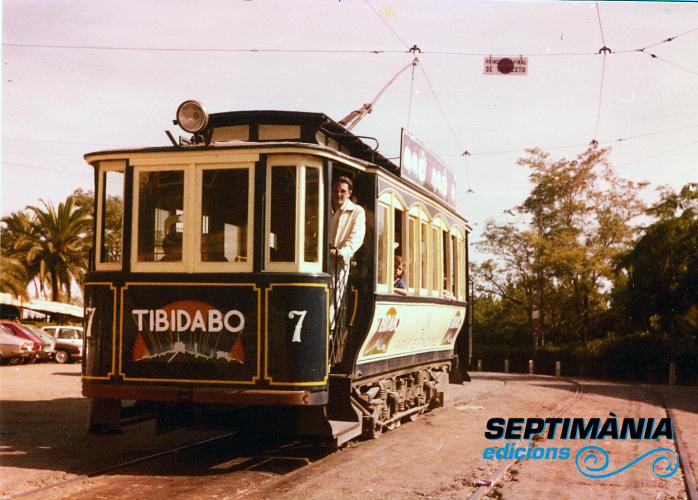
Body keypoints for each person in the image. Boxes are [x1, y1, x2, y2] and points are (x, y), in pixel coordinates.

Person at [329, 176, 365, 329]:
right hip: (323, 262)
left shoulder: (356, 211)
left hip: (339, 263)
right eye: (336, 191)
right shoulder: (328, 210)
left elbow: (356, 238)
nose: (339, 194)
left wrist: (342, 252)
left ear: (349, 193)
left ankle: (329, 336)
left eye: (342, 191)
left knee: (333, 300)